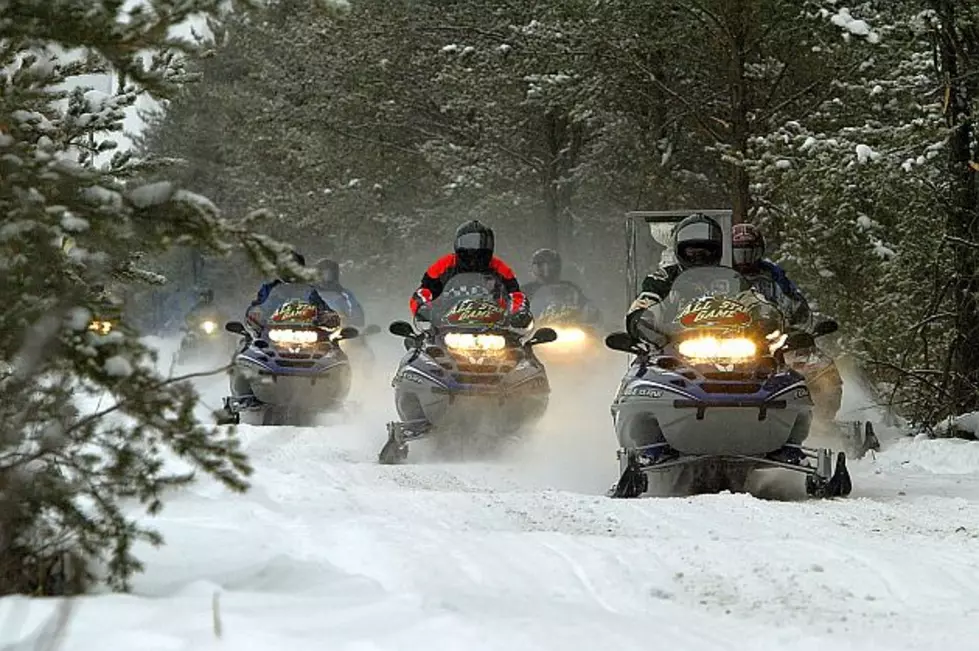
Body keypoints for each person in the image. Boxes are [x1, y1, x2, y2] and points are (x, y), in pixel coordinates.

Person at [731, 223, 841, 422]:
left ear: (760, 250)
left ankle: (820, 421)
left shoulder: (774, 276)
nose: (745, 259)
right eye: (740, 253)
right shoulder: (722, 277)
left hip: (774, 338)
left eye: (750, 252)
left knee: (819, 365)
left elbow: (796, 304)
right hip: (729, 338)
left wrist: (798, 329)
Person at [409, 220, 531, 328]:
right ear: (458, 244)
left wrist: (519, 312)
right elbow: (424, 291)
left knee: (520, 350)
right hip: (446, 325)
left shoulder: (499, 268)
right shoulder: (444, 265)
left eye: (480, 243)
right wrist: (424, 308)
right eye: (468, 243)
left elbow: (515, 294)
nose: (474, 249)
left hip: (493, 327)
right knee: (424, 348)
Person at [625, 212, 725, 339]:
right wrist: (642, 320)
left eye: (705, 251)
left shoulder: (732, 280)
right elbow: (643, 305)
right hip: (671, 344)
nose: (698, 256)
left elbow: (753, 304)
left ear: (716, 251)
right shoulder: (662, 279)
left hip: (727, 344)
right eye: (691, 251)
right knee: (645, 358)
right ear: (680, 251)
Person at [245, 250, 340, 332]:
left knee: (332, 349)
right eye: (286, 268)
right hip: (271, 334)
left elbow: (321, 307)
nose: (290, 272)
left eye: (294, 268)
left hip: (307, 335)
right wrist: (256, 314)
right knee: (253, 347)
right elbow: (258, 306)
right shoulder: (269, 289)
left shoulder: (309, 291)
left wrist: (328, 316)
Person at [523, 248, 601, 324]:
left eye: (551, 264)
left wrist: (590, 310)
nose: (546, 268)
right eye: (541, 265)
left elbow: (583, 303)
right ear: (534, 267)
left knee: (591, 334)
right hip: (537, 328)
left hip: (569, 327)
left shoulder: (570, 287)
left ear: (558, 266)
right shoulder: (527, 290)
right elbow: (516, 307)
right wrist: (519, 317)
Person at [314, 258, 366, 328]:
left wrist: (353, 320)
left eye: (329, 274)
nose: (325, 276)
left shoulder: (345, 295)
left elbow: (356, 312)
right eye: (322, 274)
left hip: (340, 332)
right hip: (312, 332)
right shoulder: (310, 294)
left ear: (334, 275)